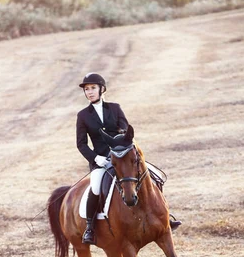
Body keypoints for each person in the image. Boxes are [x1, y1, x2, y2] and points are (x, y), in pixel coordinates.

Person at [76, 73, 181, 245]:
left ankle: (165, 216)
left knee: (153, 176)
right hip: (102, 161)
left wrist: (120, 145)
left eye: (93, 88)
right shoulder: (83, 115)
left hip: (123, 157)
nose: (89, 92)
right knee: (95, 187)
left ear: (101, 89)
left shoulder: (115, 108)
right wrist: (97, 159)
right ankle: (90, 227)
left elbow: (124, 128)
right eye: (87, 89)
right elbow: (81, 144)